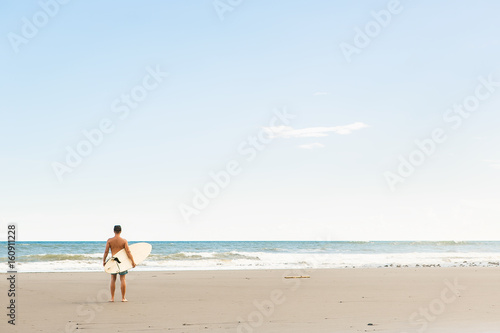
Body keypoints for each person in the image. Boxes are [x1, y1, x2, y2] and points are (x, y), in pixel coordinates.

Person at [103, 225, 136, 302]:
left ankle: (112, 298)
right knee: (123, 279)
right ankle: (123, 298)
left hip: (113, 261)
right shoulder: (124, 241)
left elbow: (106, 251)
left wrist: (104, 261)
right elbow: (128, 252)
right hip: (122, 262)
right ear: (120, 231)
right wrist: (133, 261)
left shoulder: (110, 240)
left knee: (113, 279)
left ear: (114, 231)